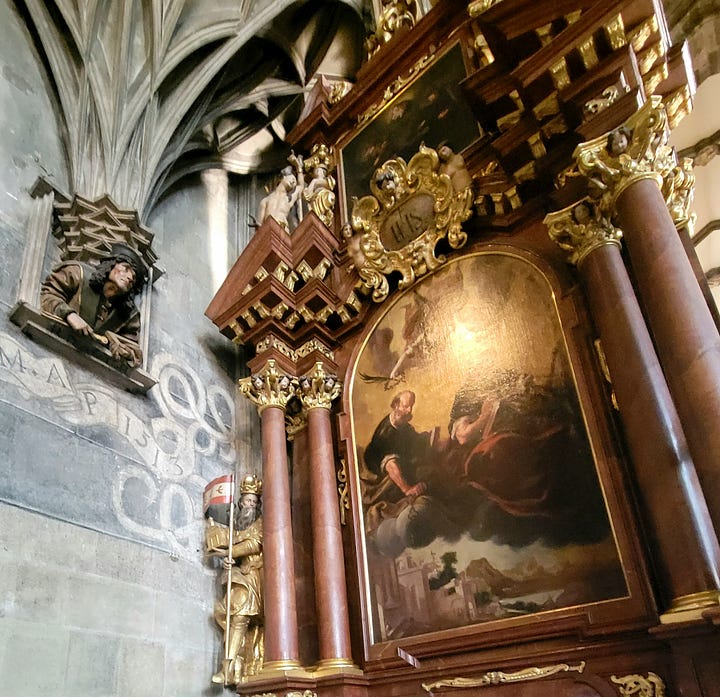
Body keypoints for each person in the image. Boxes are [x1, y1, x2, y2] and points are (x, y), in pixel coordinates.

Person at [40, 243, 148, 367]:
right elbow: (49, 295)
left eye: (133, 278)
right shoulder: (77, 272)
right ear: (111, 265)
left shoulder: (129, 314)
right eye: (125, 268)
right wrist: (69, 315)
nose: (129, 277)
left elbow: (134, 349)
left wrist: (123, 350)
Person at [207, 475, 263, 685]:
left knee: (239, 618)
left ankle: (228, 667)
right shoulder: (237, 524)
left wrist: (230, 551)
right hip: (239, 574)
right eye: (248, 501)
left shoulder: (259, 522)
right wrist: (227, 560)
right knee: (225, 613)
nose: (250, 505)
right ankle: (232, 664)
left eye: (254, 502)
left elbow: (254, 545)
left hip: (254, 575)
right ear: (240, 502)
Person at [364, 390, 432, 499]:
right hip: (377, 461)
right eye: (405, 406)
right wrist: (407, 488)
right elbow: (389, 462)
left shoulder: (403, 424)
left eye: (411, 406)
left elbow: (413, 438)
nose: (409, 410)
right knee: (391, 462)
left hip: (397, 456)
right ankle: (406, 490)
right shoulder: (385, 433)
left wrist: (429, 437)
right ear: (396, 405)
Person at [257, 152, 304, 231]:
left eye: (294, 182)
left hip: (282, 229)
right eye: (292, 179)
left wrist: (298, 167)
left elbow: (301, 187)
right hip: (268, 231)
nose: (293, 182)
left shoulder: (289, 198)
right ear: (283, 177)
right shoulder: (265, 201)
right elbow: (259, 227)